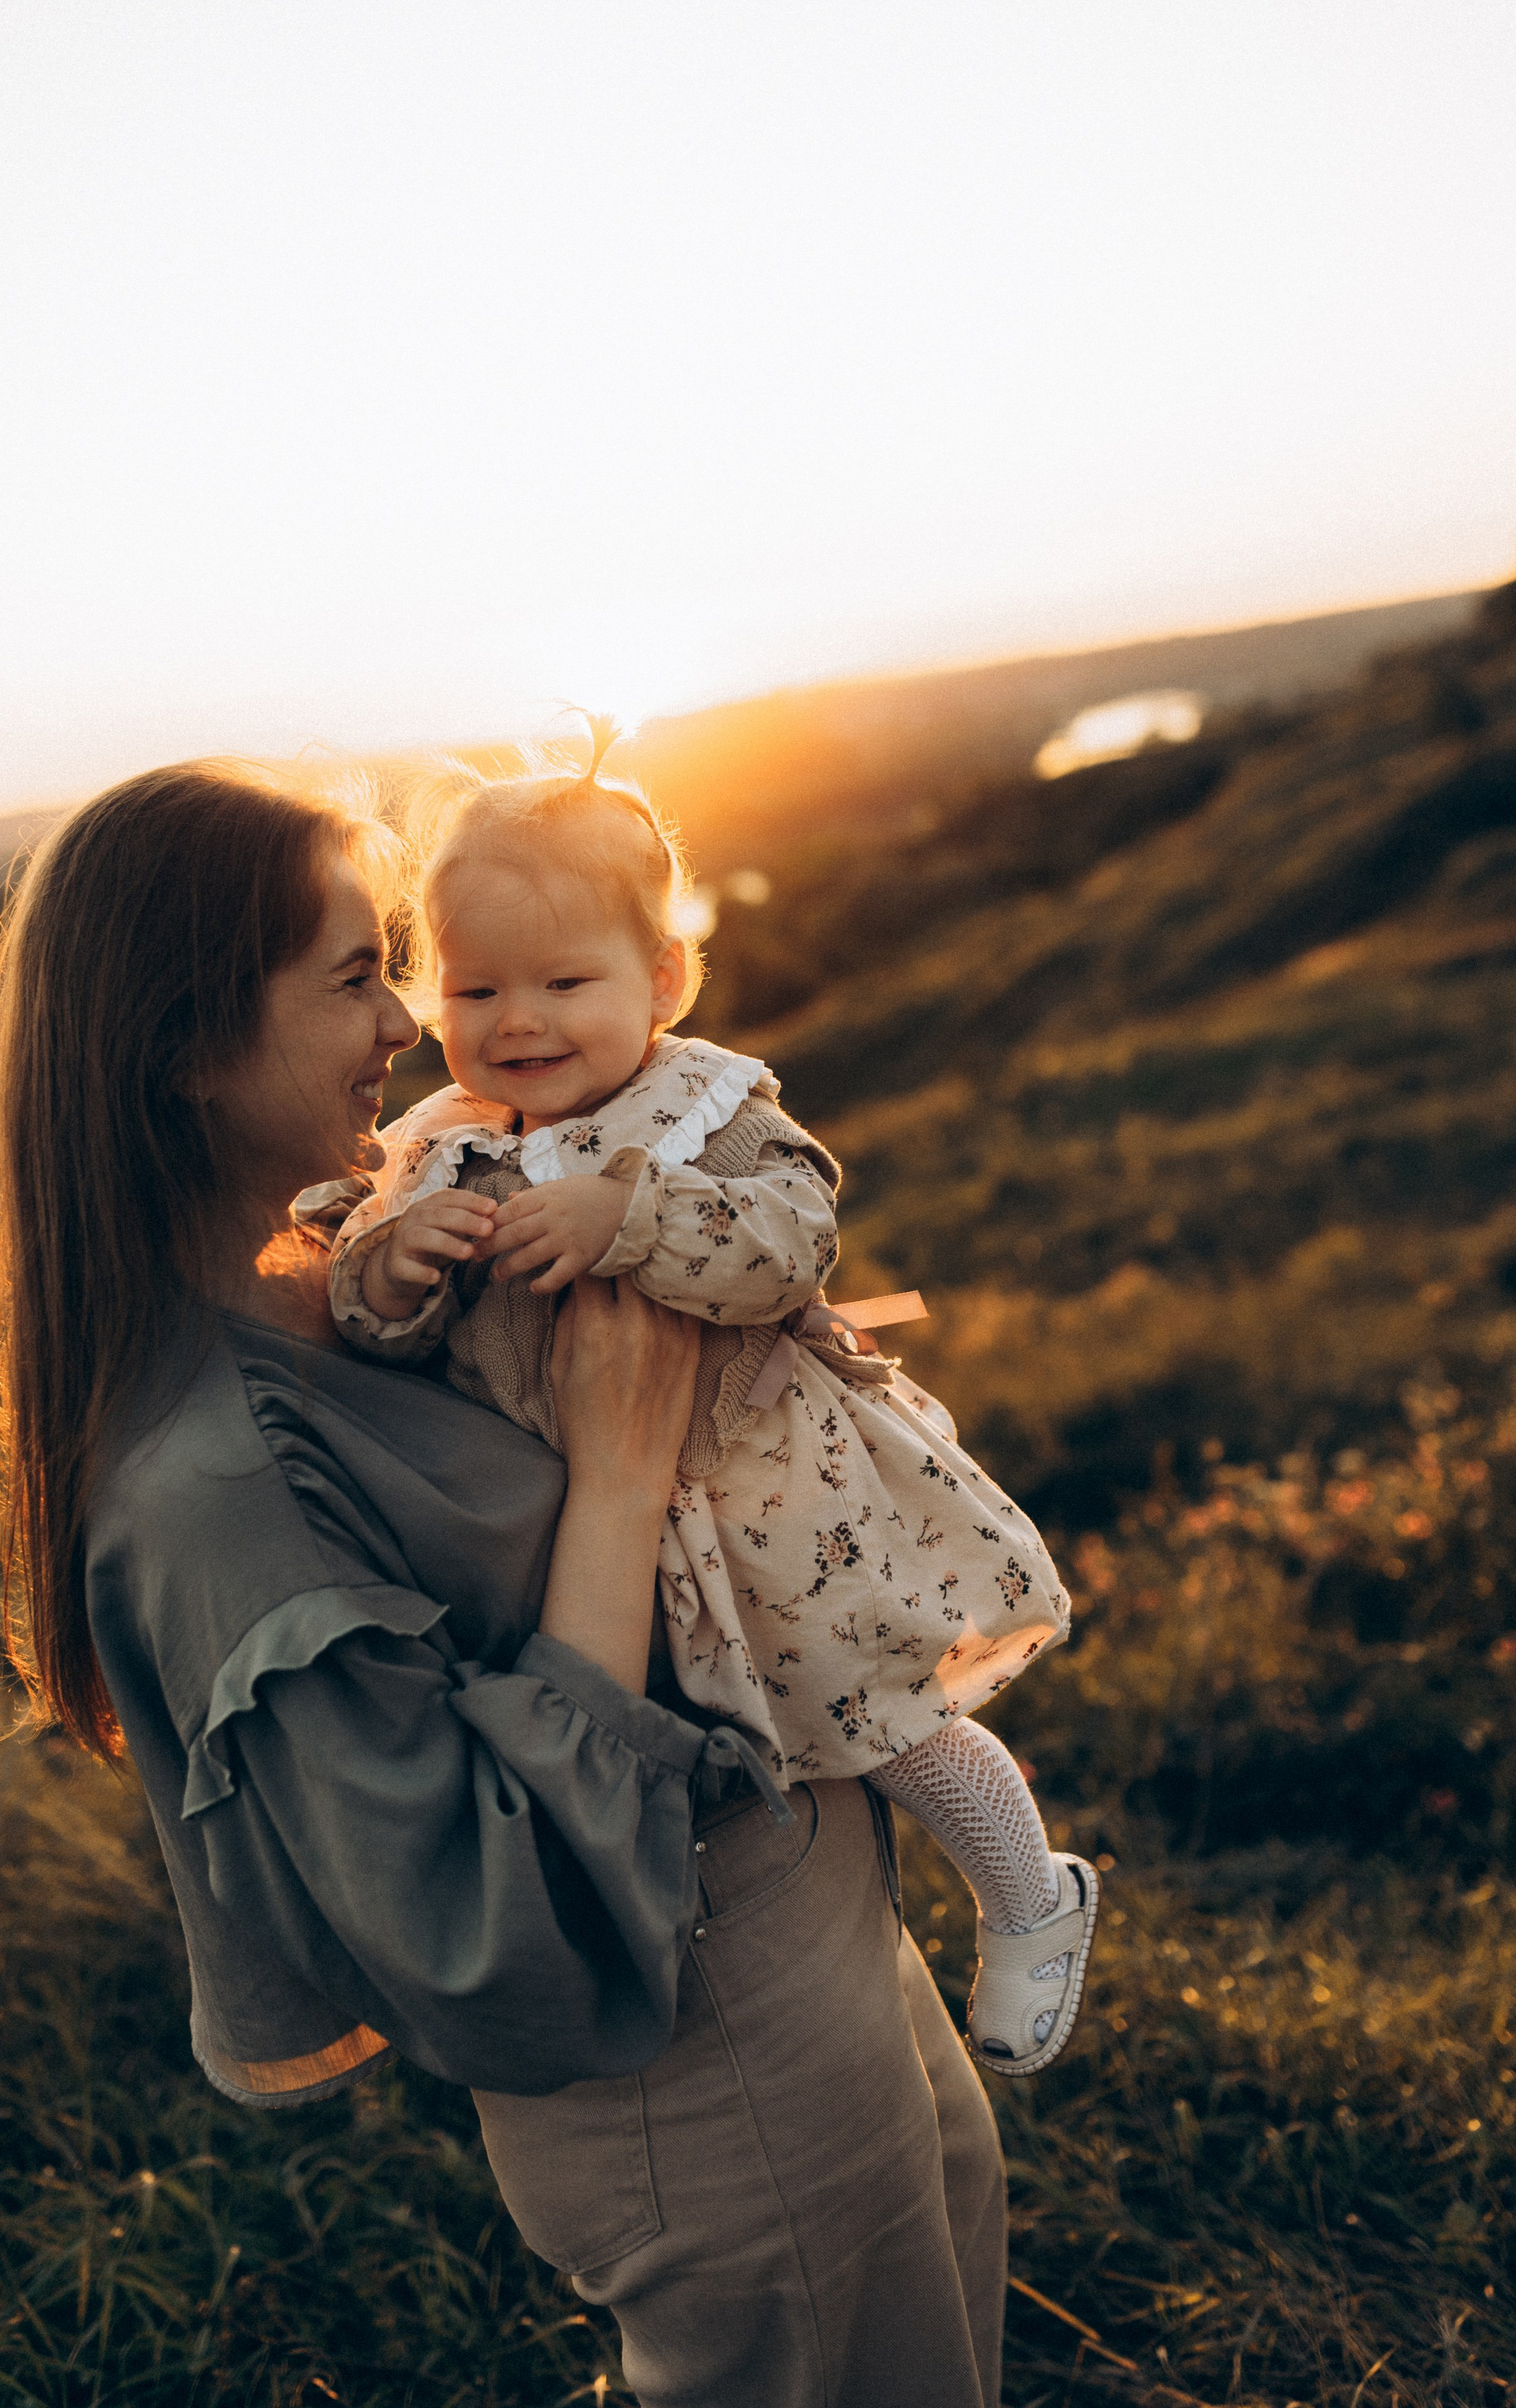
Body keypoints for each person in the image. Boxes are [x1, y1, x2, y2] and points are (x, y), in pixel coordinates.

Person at [0, 757, 1008, 2408]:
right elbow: (481, 1928)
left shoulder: (352, 1265)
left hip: (795, 1921)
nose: (410, 1020)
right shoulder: (218, 1483)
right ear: (187, 1046)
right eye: (353, 976)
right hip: (700, 2037)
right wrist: (622, 1471)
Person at [316, 730, 1096, 2076]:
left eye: (565, 981)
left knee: (879, 1717)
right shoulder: (443, 1145)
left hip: (766, 1499)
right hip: (598, 1547)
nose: (517, 1021)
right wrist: (389, 1272)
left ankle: (1030, 1893)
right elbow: (385, 1333)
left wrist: (629, 1217)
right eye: (476, 987)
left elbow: (795, 1238)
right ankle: (767, 1988)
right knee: (711, 1770)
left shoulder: (704, 1109)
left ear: (664, 978)